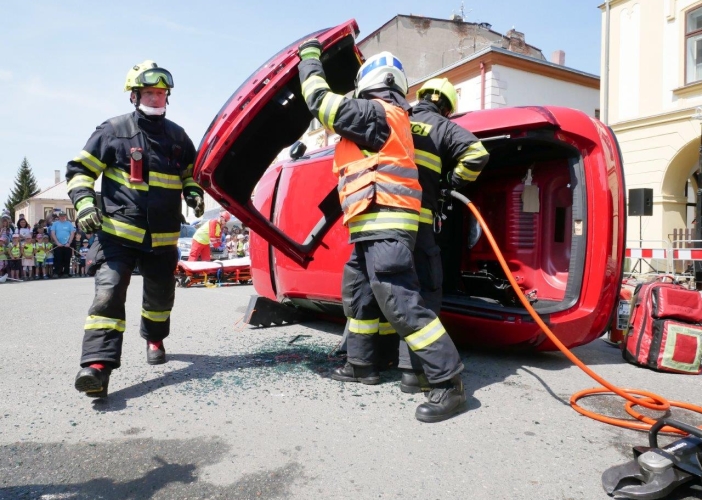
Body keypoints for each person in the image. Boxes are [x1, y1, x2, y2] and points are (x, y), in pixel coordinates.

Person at [297, 42, 466, 422]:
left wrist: (309, 60)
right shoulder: (385, 114)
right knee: (359, 297)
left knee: (401, 302)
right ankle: (361, 364)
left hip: (386, 223)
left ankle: (448, 381)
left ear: (366, 83)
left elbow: (319, 101)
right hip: (368, 225)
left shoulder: (375, 112)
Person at [67, 59, 205, 398]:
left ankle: (155, 339)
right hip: (117, 234)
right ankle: (97, 368)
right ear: (134, 95)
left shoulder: (178, 136)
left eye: (161, 93)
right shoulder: (112, 131)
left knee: (160, 297)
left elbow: (191, 171)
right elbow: (79, 172)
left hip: (164, 237)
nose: (157, 99)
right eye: (149, 93)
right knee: (109, 292)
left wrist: (193, 190)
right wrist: (85, 204)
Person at [394, 78, 490, 393]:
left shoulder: (398, 120)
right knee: (426, 292)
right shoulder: (443, 127)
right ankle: (416, 372)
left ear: (421, 97)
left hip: (388, 222)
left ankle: (384, 364)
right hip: (420, 224)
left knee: (400, 294)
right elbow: (477, 153)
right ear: (447, 106)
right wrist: (451, 181)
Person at [50, 211, 75, 278]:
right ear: (59, 217)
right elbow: (53, 233)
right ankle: (57, 273)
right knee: (58, 259)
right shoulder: (55, 224)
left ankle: (66, 273)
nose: (62, 217)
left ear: (65, 216)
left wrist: (69, 243)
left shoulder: (69, 224)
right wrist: (57, 242)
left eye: (63, 216)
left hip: (67, 245)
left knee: (67, 259)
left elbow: (72, 233)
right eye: (61, 216)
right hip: (58, 245)